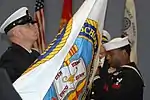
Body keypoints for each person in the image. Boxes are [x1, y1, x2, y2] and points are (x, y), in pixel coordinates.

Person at [0, 7, 40, 83]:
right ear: (17, 33)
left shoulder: (36, 55)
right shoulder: (10, 59)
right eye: (28, 25)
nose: (34, 27)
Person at [87, 30, 111, 100]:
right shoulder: (88, 61)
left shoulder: (112, 65)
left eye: (103, 43)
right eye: (98, 42)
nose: (100, 46)